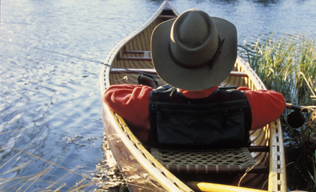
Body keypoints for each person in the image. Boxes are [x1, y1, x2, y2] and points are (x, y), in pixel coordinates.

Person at [103, 9, 286, 146]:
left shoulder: (146, 103)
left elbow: (111, 94)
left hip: (170, 169)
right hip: (228, 176)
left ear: (173, 62)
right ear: (220, 58)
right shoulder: (245, 103)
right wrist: (239, 92)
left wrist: (153, 91)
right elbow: (277, 101)